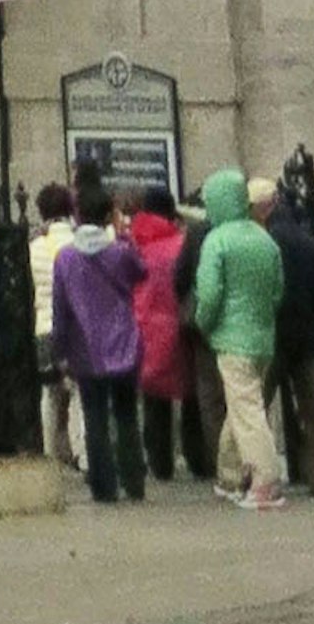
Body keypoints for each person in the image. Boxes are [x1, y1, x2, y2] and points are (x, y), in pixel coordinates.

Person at [186, 170, 289, 505]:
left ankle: (265, 481)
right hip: (263, 337)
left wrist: (204, 323)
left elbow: (210, 294)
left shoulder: (217, 240)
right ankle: (229, 477)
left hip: (231, 339)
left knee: (247, 412)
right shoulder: (264, 239)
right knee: (241, 408)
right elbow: (277, 291)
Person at [49, 184, 147, 503]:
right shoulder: (118, 251)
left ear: (77, 215)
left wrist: (60, 349)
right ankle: (134, 480)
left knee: (94, 418)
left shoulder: (65, 258)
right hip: (123, 342)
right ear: (109, 215)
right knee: (127, 414)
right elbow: (140, 272)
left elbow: (60, 307)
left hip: (85, 346)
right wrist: (123, 235)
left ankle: (103, 486)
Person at [264, 155, 314, 498]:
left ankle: (249, 477)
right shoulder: (308, 242)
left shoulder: (268, 242)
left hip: (274, 333)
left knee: (254, 406)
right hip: (306, 334)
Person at [123, 185, 214, 486]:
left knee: (154, 401)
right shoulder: (181, 243)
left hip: (145, 327)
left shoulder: (133, 243)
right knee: (191, 398)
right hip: (181, 325)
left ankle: (160, 464)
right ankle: (199, 459)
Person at [30, 182, 80, 469]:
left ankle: (51, 452)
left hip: (44, 326)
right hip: (75, 327)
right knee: (76, 391)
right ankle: (79, 451)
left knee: (50, 394)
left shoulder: (34, 246)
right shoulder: (76, 243)